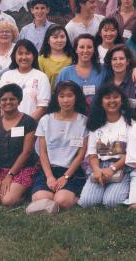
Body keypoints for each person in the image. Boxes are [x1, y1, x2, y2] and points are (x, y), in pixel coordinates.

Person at [26, 81, 89, 214]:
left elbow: (80, 156)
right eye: (61, 96)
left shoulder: (84, 121)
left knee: (62, 200)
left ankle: (67, 199)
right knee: (41, 197)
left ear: (76, 97)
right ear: (56, 98)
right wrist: (49, 177)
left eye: (70, 95)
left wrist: (65, 177)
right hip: (49, 169)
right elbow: (42, 153)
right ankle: (48, 201)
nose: (66, 100)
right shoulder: (45, 120)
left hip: (72, 172)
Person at [0, 84, 38, 207]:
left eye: (12, 99)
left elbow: (26, 152)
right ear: (0, 102)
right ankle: (11, 188)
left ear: (19, 101)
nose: (8, 102)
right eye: (4, 99)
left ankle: (25, 193)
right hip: (0, 169)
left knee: (8, 201)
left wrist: (10, 176)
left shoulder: (29, 122)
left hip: (23, 168)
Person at [57, 34, 105, 107]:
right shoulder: (65, 73)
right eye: (81, 47)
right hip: (72, 115)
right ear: (76, 49)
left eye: (89, 47)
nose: (85, 50)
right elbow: (57, 97)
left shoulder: (103, 70)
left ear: (94, 49)